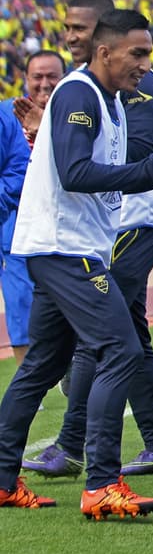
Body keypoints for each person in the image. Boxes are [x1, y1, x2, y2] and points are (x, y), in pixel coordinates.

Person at [0, 9, 153, 516]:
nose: (145, 64)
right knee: (121, 349)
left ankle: (3, 479)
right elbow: (74, 173)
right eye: (137, 53)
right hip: (64, 248)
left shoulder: (111, 104)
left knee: (41, 367)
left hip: (69, 247)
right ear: (105, 51)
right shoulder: (79, 94)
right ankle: (100, 485)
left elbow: (109, 173)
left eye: (149, 54)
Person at [26, 60, 153, 479]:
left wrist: (57, 133)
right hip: (114, 226)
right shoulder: (88, 84)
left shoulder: (138, 79)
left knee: (97, 336)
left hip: (133, 222)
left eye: (79, 28)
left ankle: (72, 446)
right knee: (132, 334)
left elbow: (140, 146)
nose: (71, 38)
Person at [0, 50, 58, 367]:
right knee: (21, 304)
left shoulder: (73, 112)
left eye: (52, 76)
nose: (44, 84)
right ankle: (29, 382)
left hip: (68, 229)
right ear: (26, 79)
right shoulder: (6, 115)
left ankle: (68, 367)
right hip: (18, 233)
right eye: (37, 77)